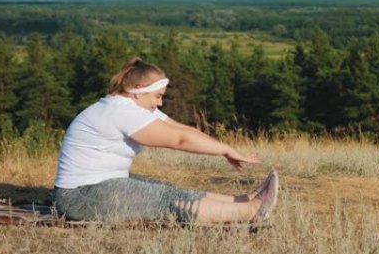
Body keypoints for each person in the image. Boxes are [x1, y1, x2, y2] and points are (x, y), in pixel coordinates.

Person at [53, 57, 278, 225]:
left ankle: (243, 200)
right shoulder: (120, 111)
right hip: (80, 197)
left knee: (166, 189)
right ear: (139, 90)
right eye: (158, 96)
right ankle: (251, 212)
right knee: (165, 199)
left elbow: (181, 129)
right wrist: (226, 150)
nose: (159, 103)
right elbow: (179, 140)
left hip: (98, 184)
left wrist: (225, 150)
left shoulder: (131, 105)